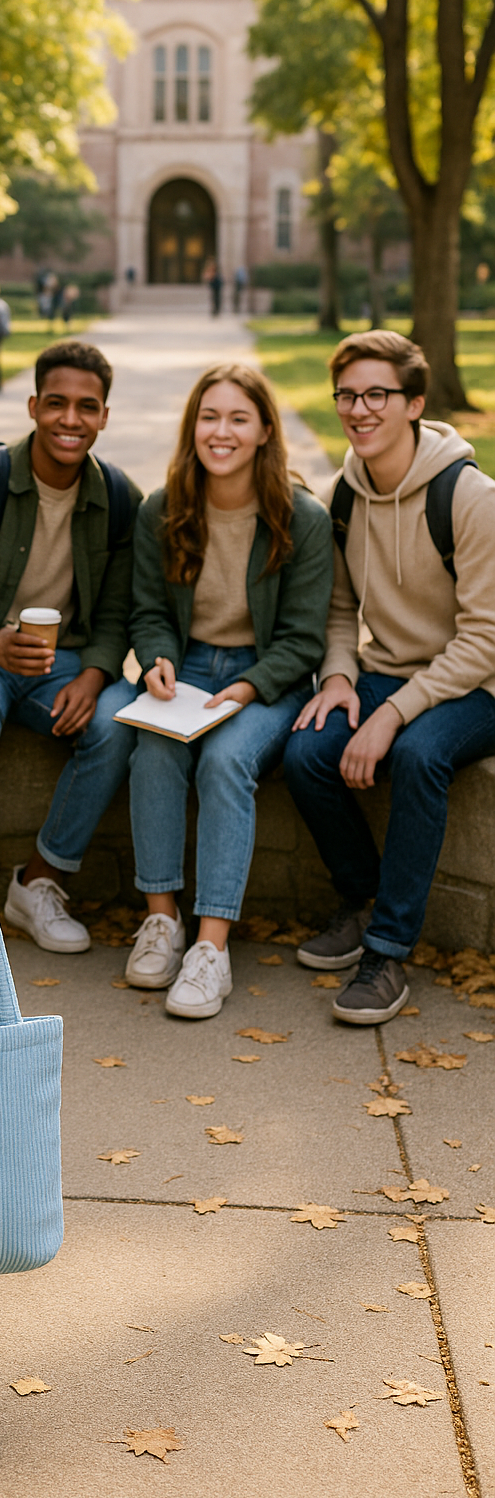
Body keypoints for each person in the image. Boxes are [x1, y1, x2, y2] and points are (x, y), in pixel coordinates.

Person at [285, 330, 495, 1024]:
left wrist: (393, 712)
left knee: (417, 755)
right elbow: (340, 611)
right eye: (347, 394)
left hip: (478, 683)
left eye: (378, 394)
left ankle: (388, 948)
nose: (359, 409)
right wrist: (341, 678)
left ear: (414, 403)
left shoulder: (469, 497)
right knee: (307, 752)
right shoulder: (344, 496)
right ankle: (362, 896)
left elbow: (485, 638)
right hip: (390, 671)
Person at [125, 365, 332, 1016]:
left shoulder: (302, 518)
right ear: (193, 428)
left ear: (266, 430)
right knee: (153, 751)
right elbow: (150, 610)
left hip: (268, 676)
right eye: (209, 417)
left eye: (239, 418)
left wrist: (249, 686)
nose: (222, 432)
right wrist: (156, 659)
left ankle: (210, 949)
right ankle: (162, 920)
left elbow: (303, 639)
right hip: (186, 668)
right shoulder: (164, 508)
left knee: (225, 761)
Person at [0, 340, 141, 957]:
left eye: (86, 407)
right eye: (56, 404)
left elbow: (115, 615)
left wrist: (99, 672)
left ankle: (39, 881)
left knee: (119, 721)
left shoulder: (120, 501)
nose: (70, 420)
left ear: (104, 415)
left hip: (65, 664)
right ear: (33, 406)